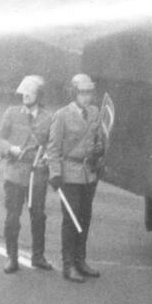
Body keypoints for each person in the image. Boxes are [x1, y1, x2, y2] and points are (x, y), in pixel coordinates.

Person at [47, 74, 104, 283]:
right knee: (71, 221)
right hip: (69, 174)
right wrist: (55, 173)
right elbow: (53, 149)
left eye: (89, 93)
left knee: (84, 218)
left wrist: (99, 149)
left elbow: (97, 139)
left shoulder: (95, 112)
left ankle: (81, 260)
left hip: (89, 173)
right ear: (73, 93)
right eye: (82, 93)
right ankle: (68, 265)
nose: (86, 97)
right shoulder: (62, 115)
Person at [0, 75, 54, 273]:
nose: (26, 95)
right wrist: (10, 148)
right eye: (24, 92)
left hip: (37, 173)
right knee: (12, 217)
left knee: (38, 216)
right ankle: (11, 257)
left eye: (31, 92)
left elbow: (53, 143)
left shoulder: (49, 117)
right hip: (15, 172)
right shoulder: (11, 113)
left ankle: (38, 256)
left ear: (39, 95)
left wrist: (48, 155)